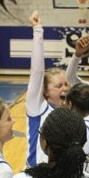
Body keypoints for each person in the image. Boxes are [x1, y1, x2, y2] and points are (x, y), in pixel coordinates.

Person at [25, 11, 70, 167]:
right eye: (58, 86)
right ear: (45, 92)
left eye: (66, 84)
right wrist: (38, 30)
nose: (64, 88)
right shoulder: (37, 107)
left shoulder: (70, 111)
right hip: (37, 175)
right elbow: (37, 72)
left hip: (59, 175)